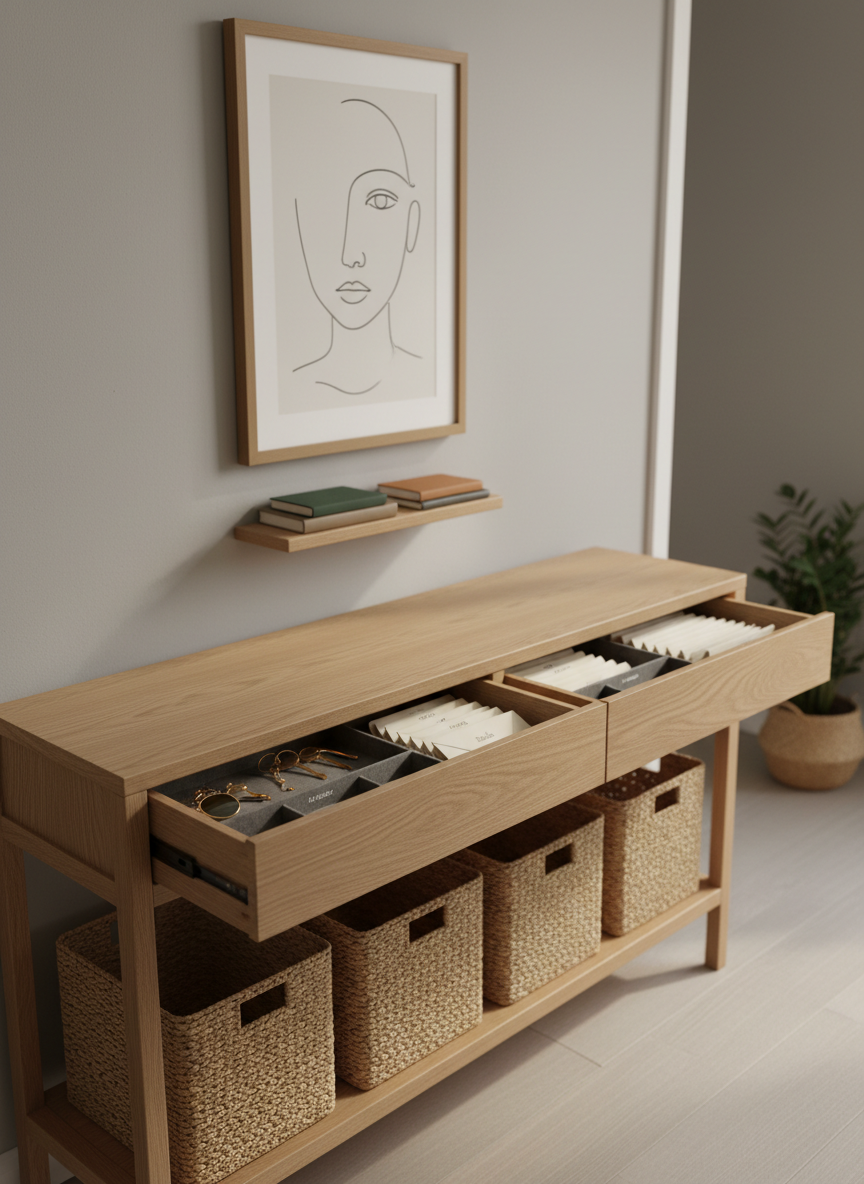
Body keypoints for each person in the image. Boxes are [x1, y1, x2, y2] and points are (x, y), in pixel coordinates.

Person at [291, 97, 423, 397]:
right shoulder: (288, 389)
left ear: (412, 223)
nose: (351, 255)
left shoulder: (430, 384)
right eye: (322, 202)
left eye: (380, 201)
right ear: (298, 217)